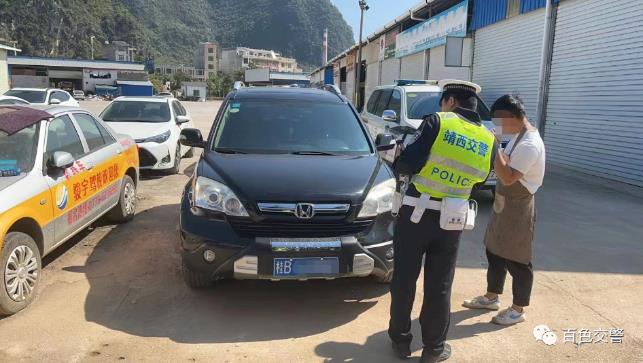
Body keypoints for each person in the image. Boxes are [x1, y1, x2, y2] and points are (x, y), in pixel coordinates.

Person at [389, 81, 497, 363]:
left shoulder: (438, 122)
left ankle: (401, 341)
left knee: (404, 279)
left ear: (450, 101)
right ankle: (434, 349)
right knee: (440, 285)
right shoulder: (489, 138)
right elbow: (481, 179)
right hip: (452, 220)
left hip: (416, 214)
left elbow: (407, 164)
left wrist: (399, 158)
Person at [462, 94, 546, 325]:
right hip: (504, 203)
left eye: (498, 121)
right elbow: (505, 164)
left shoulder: (529, 143)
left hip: (519, 206)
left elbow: (508, 177)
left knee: (517, 259)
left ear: (509, 117)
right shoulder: (518, 136)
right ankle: (491, 297)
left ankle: (518, 309)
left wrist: (494, 145)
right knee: (495, 251)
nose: (496, 127)